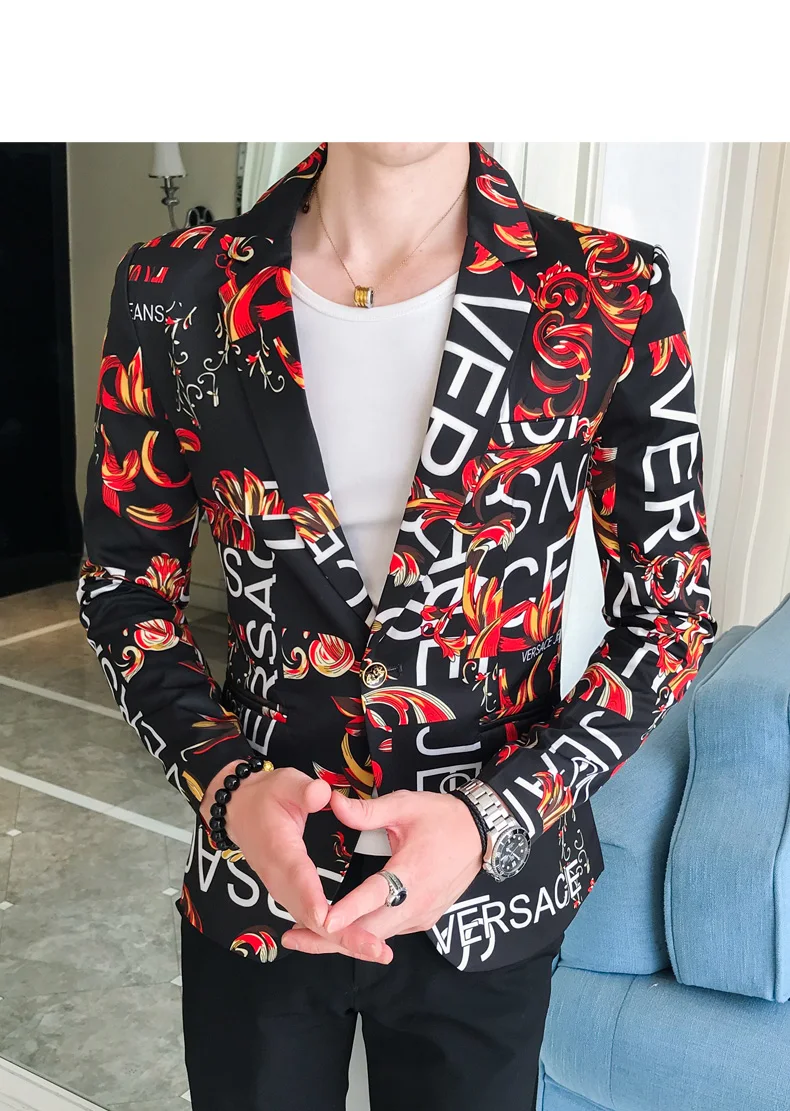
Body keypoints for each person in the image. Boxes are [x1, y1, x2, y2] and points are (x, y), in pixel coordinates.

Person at [77, 141, 716, 1110]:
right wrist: (227, 786)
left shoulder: (610, 293)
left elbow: (668, 617)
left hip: (488, 900)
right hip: (258, 890)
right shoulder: (173, 290)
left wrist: (494, 816)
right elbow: (124, 585)